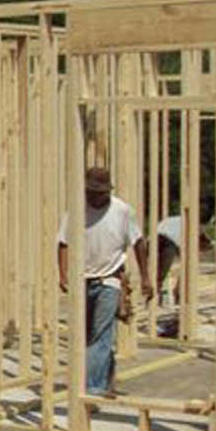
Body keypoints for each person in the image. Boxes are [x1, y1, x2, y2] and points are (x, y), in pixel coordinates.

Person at [57, 166, 152, 396]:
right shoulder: (76, 211)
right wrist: (63, 274)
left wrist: (146, 277)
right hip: (82, 281)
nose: (95, 197)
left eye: (99, 193)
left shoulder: (122, 211)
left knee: (102, 334)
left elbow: (138, 242)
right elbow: (63, 243)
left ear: (107, 191)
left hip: (110, 280)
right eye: (91, 192)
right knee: (91, 336)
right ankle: (106, 383)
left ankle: (93, 388)